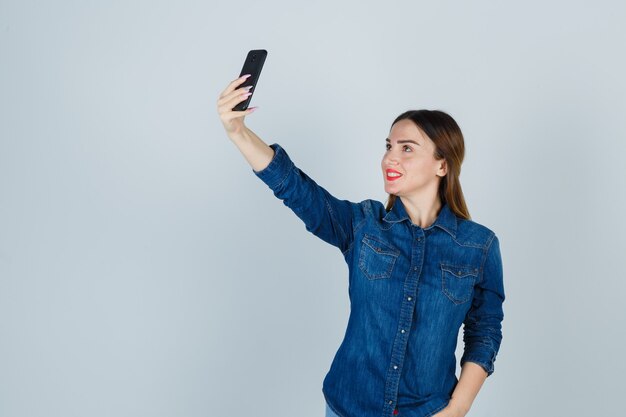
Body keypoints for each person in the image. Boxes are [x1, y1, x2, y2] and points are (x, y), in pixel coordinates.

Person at [217, 74, 505, 417]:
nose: (390, 158)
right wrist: (238, 131)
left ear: (443, 164)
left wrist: (457, 408)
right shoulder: (363, 225)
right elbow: (294, 187)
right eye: (388, 146)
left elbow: (484, 331)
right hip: (347, 406)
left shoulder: (479, 245)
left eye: (406, 148)